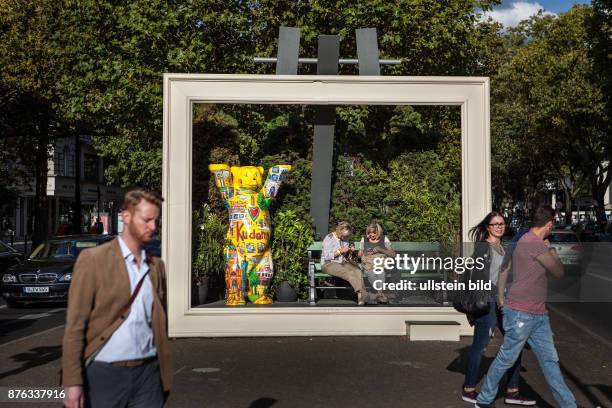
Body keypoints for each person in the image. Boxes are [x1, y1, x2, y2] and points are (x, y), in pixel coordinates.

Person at [62, 189, 173, 408]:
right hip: (104, 374)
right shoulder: (93, 260)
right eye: (147, 220)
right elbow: (75, 325)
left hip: (148, 375)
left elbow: (160, 321)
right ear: (127, 217)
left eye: (156, 221)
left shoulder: (156, 267)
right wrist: (72, 382)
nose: (152, 227)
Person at [476, 206, 577, 408]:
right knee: (507, 358)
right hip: (523, 314)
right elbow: (558, 272)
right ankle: (484, 399)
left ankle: (569, 405)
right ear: (549, 224)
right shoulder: (535, 243)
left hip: (537, 314)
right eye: (553, 224)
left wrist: (501, 297)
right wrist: (551, 249)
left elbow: (505, 268)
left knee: (550, 362)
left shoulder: (521, 240)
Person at [461, 212, 535, 405]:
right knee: (480, 347)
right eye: (495, 224)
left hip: (504, 304)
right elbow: (479, 278)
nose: (500, 227)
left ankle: (512, 391)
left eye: (502, 224)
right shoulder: (483, 248)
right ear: (488, 227)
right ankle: (468, 389)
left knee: (515, 344)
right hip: (488, 305)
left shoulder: (501, 248)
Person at [321, 221, 368, 305]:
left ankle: (362, 297)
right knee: (348, 273)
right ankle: (361, 294)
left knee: (357, 271)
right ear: (339, 230)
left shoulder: (345, 238)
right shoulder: (329, 237)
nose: (344, 237)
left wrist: (350, 249)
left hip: (342, 263)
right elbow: (327, 256)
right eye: (343, 235)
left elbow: (348, 248)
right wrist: (339, 251)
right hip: (329, 264)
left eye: (346, 236)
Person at [357, 221, 395, 304]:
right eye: (369, 233)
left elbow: (393, 254)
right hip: (369, 265)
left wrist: (380, 249)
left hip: (380, 264)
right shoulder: (364, 239)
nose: (372, 235)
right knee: (371, 274)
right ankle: (380, 294)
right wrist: (363, 252)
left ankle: (377, 295)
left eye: (374, 232)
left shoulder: (384, 239)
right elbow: (359, 255)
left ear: (379, 231)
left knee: (381, 274)